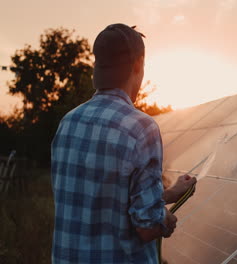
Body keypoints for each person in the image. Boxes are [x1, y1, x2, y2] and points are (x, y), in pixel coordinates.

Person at [51, 23, 196, 263]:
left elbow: (103, 199)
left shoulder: (68, 123)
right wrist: (165, 220)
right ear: (138, 65)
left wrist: (169, 194)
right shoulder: (140, 128)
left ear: (97, 65)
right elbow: (147, 226)